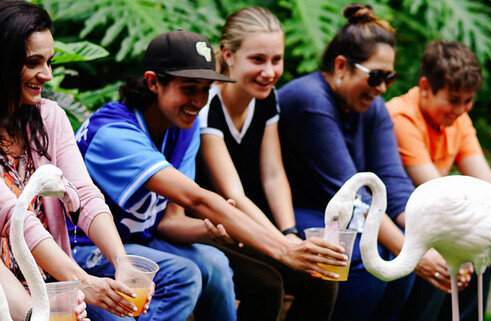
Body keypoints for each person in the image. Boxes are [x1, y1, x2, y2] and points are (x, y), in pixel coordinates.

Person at [74, 29, 347, 321]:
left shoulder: (183, 126)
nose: (199, 101)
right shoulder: (113, 133)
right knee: (186, 274)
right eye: (189, 88)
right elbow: (198, 199)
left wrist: (212, 229)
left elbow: (169, 221)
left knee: (215, 261)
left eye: (206, 89)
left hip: (141, 242)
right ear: (154, 82)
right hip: (86, 247)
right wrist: (285, 249)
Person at [277, 4, 462, 321]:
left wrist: (424, 234)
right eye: (375, 76)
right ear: (341, 66)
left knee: (402, 251)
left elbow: (393, 182)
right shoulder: (311, 100)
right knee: (369, 254)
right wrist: (414, 256)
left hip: (343, 214)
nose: (381, 88)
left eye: (389, 78)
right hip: (292, 213)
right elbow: (354, 196)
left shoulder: (371, 106)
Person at [0, 0, 143, 319]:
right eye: (34, 62)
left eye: (49, 61)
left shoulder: (50, 117)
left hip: (52, 280)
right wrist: (83, 281)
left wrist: (123, 264)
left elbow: (84, 195)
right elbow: (14, 218)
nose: (47, 75)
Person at [196, 7, 337, 320]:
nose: (269, 71)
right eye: (257, 60)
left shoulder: (266, 98)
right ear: (229, 56)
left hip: (253, 222)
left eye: (276, 60)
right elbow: (232, 192)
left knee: (321, 281)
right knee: (266, 284)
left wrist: (289, 231)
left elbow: (273, 174)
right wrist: (283, 246)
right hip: (214, 226)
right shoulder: (207, 105)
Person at [386, 40, 491, 321]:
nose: (461, 109)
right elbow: (436, 189)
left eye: (468, 100)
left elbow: (486, 179)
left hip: (435, 219)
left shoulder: (459, 118)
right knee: (454, 257)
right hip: (401, 223)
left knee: (481, 256)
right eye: (454, 99)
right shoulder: (401, 116)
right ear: (424, 87)